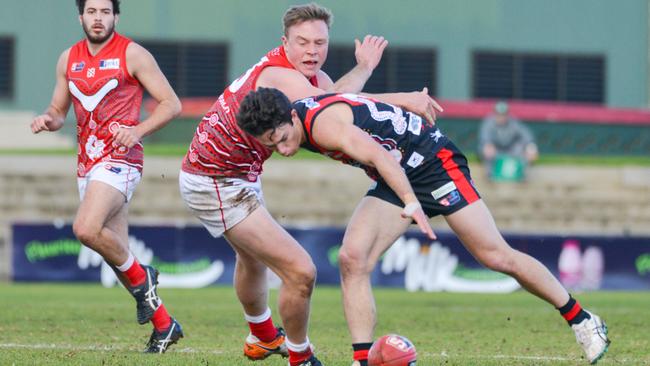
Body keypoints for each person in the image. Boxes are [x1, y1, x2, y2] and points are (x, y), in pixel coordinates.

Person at [236, 87, 611, 366]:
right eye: (272, 145)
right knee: (353, 258)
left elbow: (380, 156)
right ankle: (363, 359)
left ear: (291, 118)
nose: (283, 150)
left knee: (496, 255)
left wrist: (412, 202)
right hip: (398, 171)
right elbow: (354, 97)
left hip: (433, 162)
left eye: (283, 139)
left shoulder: (324, 127)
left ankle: (582, 320)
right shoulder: (296, 110)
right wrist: (405, 97)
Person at [178, 3, 440, 365]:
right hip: (215, 179)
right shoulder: (278, 75)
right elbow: (342, 104)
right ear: (284, 43)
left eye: (320, 42)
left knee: (252, 261)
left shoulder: (310, 80)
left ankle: (262, 337)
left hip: (239, 174)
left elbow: (340, 104)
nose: (312, 51)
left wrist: (364, 66)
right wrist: (405, 100)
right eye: (302, 42)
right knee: (300, 272)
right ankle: (300, 357)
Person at [30, 0, 183, 353]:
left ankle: (145, 275)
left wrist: (138, 130)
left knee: (85, 228)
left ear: (116, 15)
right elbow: (58, 109)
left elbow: (171, 103)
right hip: (87, 163)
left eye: (105, 12)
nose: (98, 18)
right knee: (118, 260)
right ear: (80, 16)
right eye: (91, 12)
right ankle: (165, 325)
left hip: (121, 159)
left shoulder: (133, 54)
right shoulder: (68, 58)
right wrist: (48, 120)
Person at [479, 101, 539, 181]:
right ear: (495, 114)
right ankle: (489, 175)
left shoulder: (513, 122)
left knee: (525, 148)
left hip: (510, 149)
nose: (501, 116)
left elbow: (525, 135)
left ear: (507, 114)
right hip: (496, 150)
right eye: (499, 114)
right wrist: (487, 145)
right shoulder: (489, 123)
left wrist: (531, 147)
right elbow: (484, 138)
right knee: (487, 148)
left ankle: (522, 174)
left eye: (503, 114)